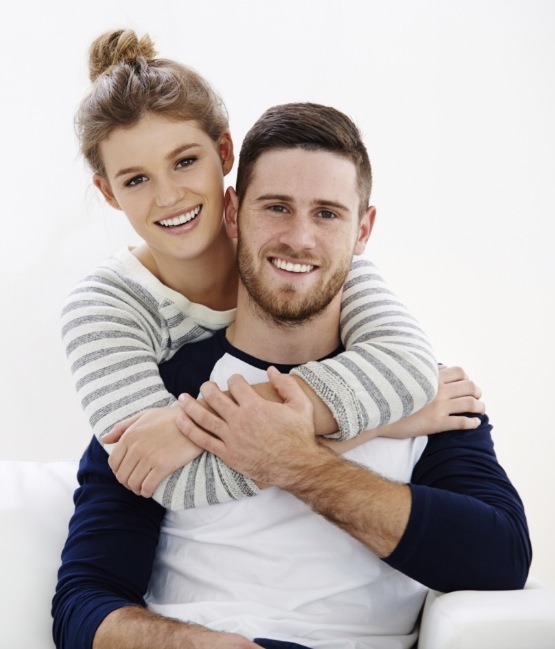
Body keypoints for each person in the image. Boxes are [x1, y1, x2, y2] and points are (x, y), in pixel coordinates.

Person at [52, 102, 531, 649]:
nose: (299, 238)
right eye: (276, 207)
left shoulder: (425, 391)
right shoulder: (158, 402)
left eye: (327, 213)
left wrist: (297, 462)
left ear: (363, 230)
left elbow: (499, 562)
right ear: (233, 215)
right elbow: (83, 606)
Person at [60, 28, 442, 510]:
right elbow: (171, 482)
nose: (169, 196)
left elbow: (409, 370)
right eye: (136, 179)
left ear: (223, 153)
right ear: (109, 193)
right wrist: (383, 423)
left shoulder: (288, 254)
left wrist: (188, 426)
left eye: (184, 161)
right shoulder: (104, 309)